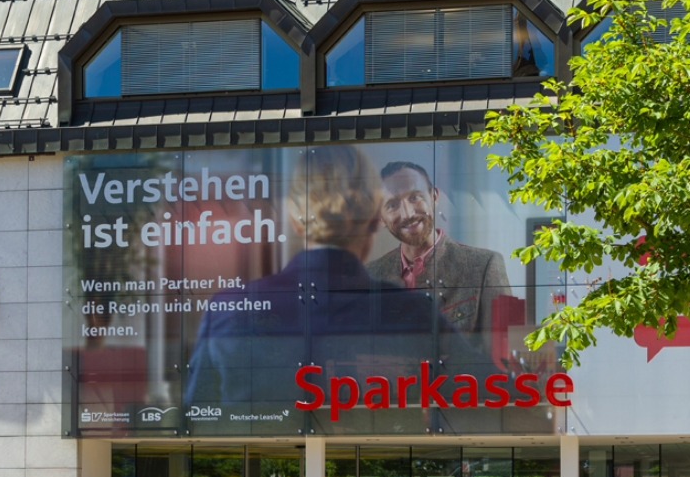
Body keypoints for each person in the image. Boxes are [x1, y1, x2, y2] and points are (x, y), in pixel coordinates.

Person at [185, 146, 491, 431]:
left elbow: (194, 423)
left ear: (294, 218)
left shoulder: (229, 309)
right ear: (375, 217)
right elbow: (495, 392)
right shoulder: (412, 313)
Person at [367, 160, 512, 357]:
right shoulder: (370, 276)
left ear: (434, 197)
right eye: (392, 205)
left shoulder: (485, 266)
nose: (408, 213)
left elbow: (505, 360)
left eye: (415, 197)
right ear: (381, 217)